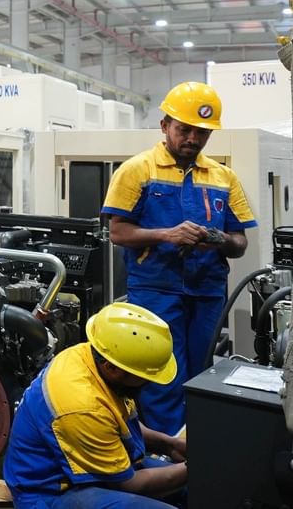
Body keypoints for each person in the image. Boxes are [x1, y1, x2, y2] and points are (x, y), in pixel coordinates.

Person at [101, 81, 256, 436]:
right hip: (155, 290)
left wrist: (216, 239)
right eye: (184, 129)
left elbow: (239, 243)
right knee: (161, 375)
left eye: (201, 132)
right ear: (165, 126)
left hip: (207, 292)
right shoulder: (137, 170)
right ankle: (167, 449)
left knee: (203, 373)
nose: (192, 138)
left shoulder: (223, 178)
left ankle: (200, 447)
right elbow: (118, 233)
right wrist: (167, 235)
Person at [4, 302, 187, 509]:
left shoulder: (93, 355)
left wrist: (169, 445)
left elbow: (119, 421)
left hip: (85, 467)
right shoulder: (82, 405)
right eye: (144, 376)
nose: (149, 381)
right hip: (50, 491)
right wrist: (196, 467)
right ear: (112, 368)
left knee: (190, 486)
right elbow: (130, 484)